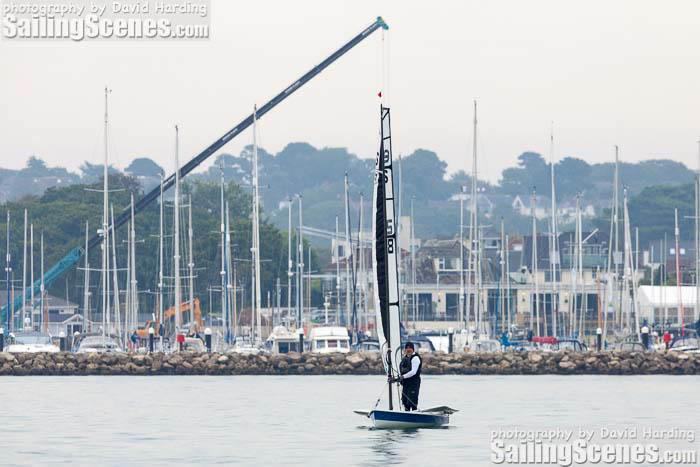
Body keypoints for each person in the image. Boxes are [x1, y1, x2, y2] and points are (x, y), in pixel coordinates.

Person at [392, 342, 422, 411]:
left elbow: (413, 372)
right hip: (406, 384)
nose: (408, 349)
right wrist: (395, 379)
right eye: (407, 348)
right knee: (405, 403)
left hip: (413, 384)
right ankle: (406, 417)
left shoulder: (415, 358)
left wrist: (402, 377)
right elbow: (401, 371)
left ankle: (415, 416)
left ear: (413, 349)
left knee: (412, 402)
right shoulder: (404, 359)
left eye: (410, 348)